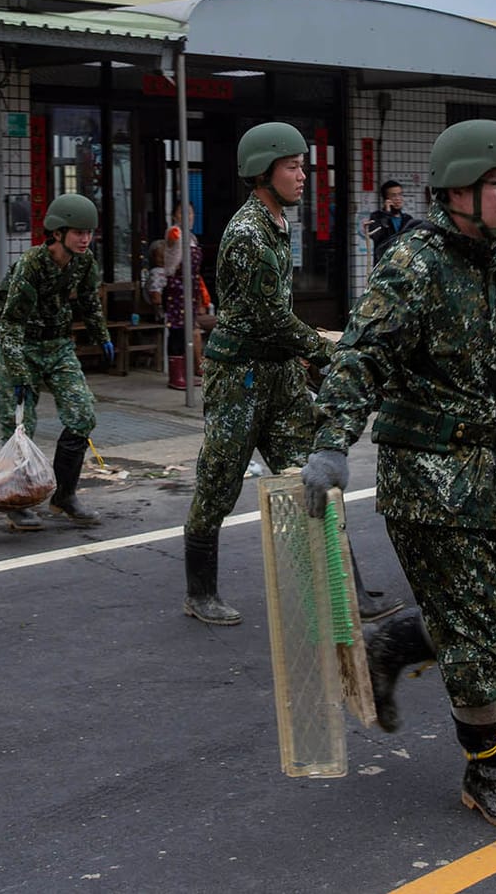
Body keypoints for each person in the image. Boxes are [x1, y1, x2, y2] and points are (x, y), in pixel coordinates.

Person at [310, 119, 496, 833]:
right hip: (429, 476)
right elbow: (360, 355)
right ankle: (486, 771)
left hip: (492, 468)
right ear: (457, 191)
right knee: (472, 632)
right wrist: (333, 443)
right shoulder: (415, 263)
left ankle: (399, 641)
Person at [183, 125, 405, 625]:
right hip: (239, 377)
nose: (304, 176)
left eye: (304, 166)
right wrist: (329, 352)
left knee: (312, 478)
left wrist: (310, 356)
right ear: (264, 173)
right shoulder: (248, 234)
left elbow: (278, 323)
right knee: (218, 484)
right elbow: (269, 318)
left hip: (279, 374)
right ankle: (200, 592)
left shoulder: (278, 222)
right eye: (293, 167)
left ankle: (343, 590)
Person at [0, 194, 112, 531]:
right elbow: (11, 323)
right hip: (22, 346)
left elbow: (89, 302)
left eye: (89, 232)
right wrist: (16, 369)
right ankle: (17, 501)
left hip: (58, 345)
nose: (85, 239)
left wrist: (100, 334)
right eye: (77, 232)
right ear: (57, 233)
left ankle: (64, 495)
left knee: (82, 415)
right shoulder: (31, 264)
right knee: (19, 425)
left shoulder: (85, 262)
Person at [147, 202, 207, 390]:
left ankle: (188, 372)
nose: (188, 216)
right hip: (177, 288)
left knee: (189, 330)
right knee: (177, 331)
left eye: (190, 213)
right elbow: (171, 246)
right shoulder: (174, 233)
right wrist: (173, 237)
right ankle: (176, 375)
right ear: (175, 215)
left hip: (191, 289)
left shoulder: (192, 238)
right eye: (182, 213)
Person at [363, 180, 413, 255]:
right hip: (384, 263)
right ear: (386, 199)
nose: (398, 198)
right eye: (394, 195)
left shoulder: (408, 219)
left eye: (400, 194)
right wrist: (386, 214)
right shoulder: (377, 217)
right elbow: (376, 237)